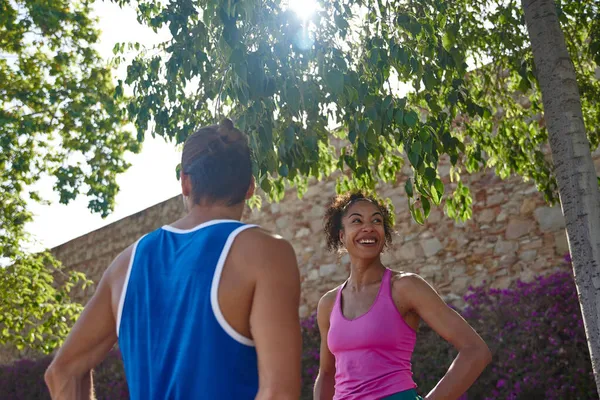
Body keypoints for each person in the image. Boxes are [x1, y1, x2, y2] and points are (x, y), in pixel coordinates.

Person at [44, 119, 302, 399]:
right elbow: (279, 393)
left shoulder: (125, 264)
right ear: (250, 187)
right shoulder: (266, 253)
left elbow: (62, 372)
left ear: (186, 182)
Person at [314, 191, 491, 400]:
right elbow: (327, 374)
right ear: (341, 235)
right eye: (357, 221)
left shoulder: (405, 287)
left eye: (376, 220)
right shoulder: (328, 303)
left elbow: (476, 350)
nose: (368, 227)